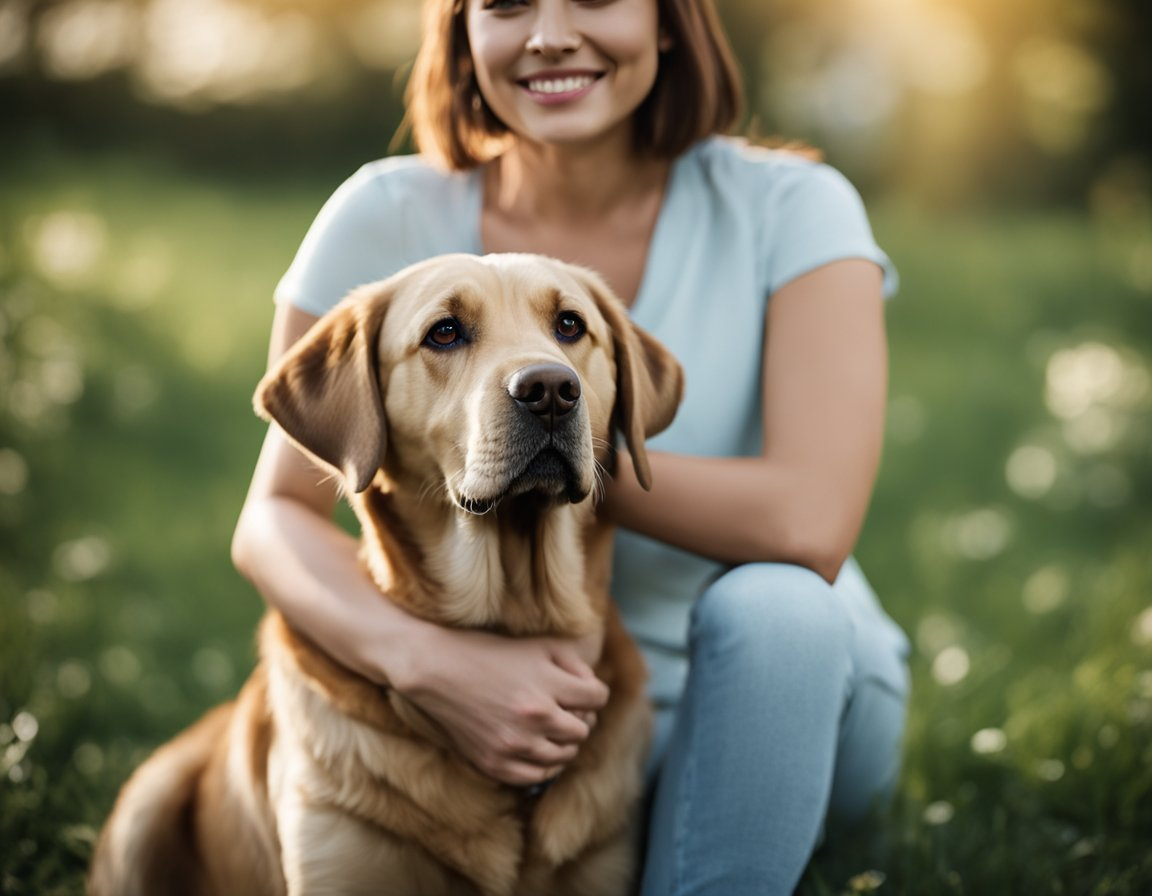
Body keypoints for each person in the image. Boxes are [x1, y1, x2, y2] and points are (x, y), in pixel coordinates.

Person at [230, 0, 911, 892]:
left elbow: (814, 522)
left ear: (668, 20)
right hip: (475, 699)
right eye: (508, 4)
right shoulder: (382, 213)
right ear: (460, 31)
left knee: (780, 605)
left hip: (778, 696)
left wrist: (551, 447)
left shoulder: (794, 207)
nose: (551, 32)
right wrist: (429, 662)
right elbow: (273, 515)